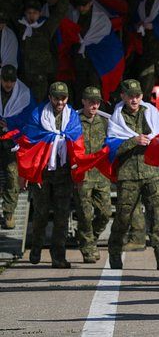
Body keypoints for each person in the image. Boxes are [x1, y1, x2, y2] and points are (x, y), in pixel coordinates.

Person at [107, 79, 159, 270]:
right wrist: (134, 140)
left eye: (137, 96)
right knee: (123, 216)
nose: (134, 99)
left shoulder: (150, 113)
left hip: (151, 172)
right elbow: (112, 148)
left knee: (157, 215)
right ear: (123, 96)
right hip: (128, 175)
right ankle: (114, 251)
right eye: (130, 96)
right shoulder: (117, 118)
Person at [28, 82, 80, 268]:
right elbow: (31, 143)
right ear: (50, 97)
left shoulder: (72, 116)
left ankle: (58, 257)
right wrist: (33, 174)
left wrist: (78, 174)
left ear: (67, 98)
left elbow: (77, 142)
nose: (60, 102)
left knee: (62, 217)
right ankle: (36, 247)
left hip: (63, 173)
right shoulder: (38, 115)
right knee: (41, 213)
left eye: (63, 98)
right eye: (56, 98)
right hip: (43, 172)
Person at [16, 0, 73, 102]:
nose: (31, 16)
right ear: (25, 13)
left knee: (38, 101)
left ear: (39, 13)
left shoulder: (45, 27)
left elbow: (59, 14)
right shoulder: (20, 26)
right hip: (24, 73)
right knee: (23, 102)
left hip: (40, 73)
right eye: (29, 13)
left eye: (35, 13)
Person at [75, 87, 111, 263]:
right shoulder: (74, 120)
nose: (94, 105)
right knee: (85, 214)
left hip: (100, 174)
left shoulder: (105, 121)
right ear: (83, 101)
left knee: (105, 213)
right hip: (83, 175)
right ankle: (87, 248)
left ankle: (91, 239)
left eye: (97, 102)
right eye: (91, 102)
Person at [0, 65, 34, 229]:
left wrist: (9, 123)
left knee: (12, 176)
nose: (8, 84)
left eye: (11, 81)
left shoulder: (24, 94)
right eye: (5, 80)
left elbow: (30, 118)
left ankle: (9, 213)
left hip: (11, 141)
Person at [70, 0, 103, 107]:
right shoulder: (74, 15)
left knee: (94, 88)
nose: (81, 8)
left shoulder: (99, 18)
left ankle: (98, 114)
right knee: (80, 87)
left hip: (94, 59)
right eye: (79, 5)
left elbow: (103, 37)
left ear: (90, 3)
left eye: (84, 5)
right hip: (79, 58)